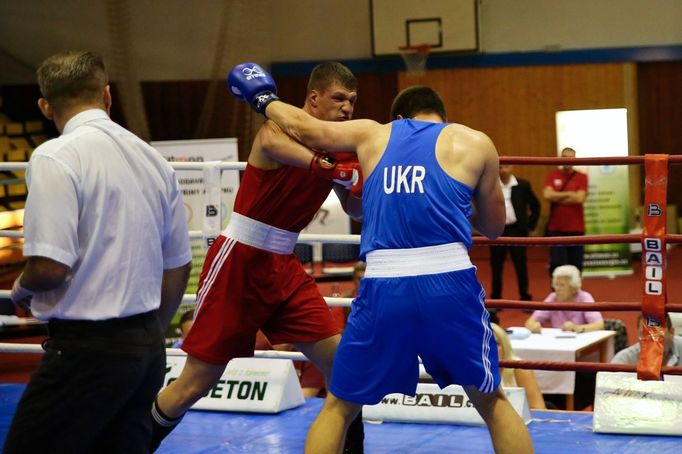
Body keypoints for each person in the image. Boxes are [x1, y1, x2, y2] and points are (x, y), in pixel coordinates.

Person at [229, 65, 533, 453]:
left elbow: (304, 129)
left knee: (338, 406)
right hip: (449, 283)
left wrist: (263, 99)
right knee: (492, 403)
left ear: (399, 118)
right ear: (442, 115)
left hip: (384, 284)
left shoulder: (374, 133)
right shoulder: (475, 142)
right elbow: (494, 228)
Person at [150, 62, 365, 453]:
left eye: (352, 101)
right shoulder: (279, 128)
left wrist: (360, 187)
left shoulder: (341, 147)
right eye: (339, 98)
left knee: (346, 367)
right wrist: (327, 166)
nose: (347, 108)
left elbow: (355, 211)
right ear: (313, 99)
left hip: (284, 266)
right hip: (239, 260)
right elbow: (269, 141)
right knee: (196, 382)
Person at [4, 51, 192, 453]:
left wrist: (20, 289)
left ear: (45, 105)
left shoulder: (57, 156)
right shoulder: (153, 159)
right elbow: (178, 268)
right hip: (145, 349)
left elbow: (50, 267)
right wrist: (148, 334)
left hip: (87, 351)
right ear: (107, 96)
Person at [490, 165, 540, 302]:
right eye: (499, 166)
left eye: (506, 166)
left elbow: (536, 205)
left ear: (511, 167)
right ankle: (496, 298)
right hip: (497, 230)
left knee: (520, 264)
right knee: (496, 265)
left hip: (516, 230)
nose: (502, 169)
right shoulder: (490, 185)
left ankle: (525, 296)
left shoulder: (522, 185)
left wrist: (529, 226)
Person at [543, 147, 588, 277]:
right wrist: (570, 194)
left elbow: (580, 198)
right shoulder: (552, 175)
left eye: (570, 157)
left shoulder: (582, 177)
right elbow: (547, 196)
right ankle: (556, 293)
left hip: (576, 228)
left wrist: (557, 195)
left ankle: (576, 295)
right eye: (564, 157)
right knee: (556, 265)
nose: (567, 160)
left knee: (576, 265)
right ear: (560, 158)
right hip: (556, 228)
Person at [524, 265, 604, 333]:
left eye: (562, 285)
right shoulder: (553, 298)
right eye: (556, 284)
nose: (557, 289)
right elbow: (530, 322)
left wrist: (576, 328)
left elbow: (599, 325)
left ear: (573, 287)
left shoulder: (584, 298)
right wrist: (533, 326)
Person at [490, 323, 546, 410]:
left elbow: (539, 409)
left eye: (495, 343)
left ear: (505, 346)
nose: (489, 348)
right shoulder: (468, 369)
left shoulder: (520, 368)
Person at [611, 314, 682, 366]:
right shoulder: (624, 359)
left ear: (672, 333)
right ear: (638, 334)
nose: (651, 339)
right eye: (645, 333)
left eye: (657, 333)